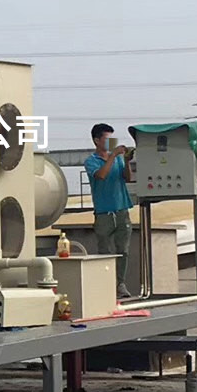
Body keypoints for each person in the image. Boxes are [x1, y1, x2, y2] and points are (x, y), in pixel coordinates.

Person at [84, 122, 134, 299]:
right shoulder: (91, 161)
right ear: (97, 140)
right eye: (107, 139)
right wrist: (113, 155)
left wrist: (126, 160)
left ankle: (120, 284)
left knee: (123, 250)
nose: (111, 142)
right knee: (104, 252)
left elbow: (128, 178)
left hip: (121, 209)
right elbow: (101, 175)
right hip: (103, 213)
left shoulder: (118, 159)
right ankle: (106, 285)